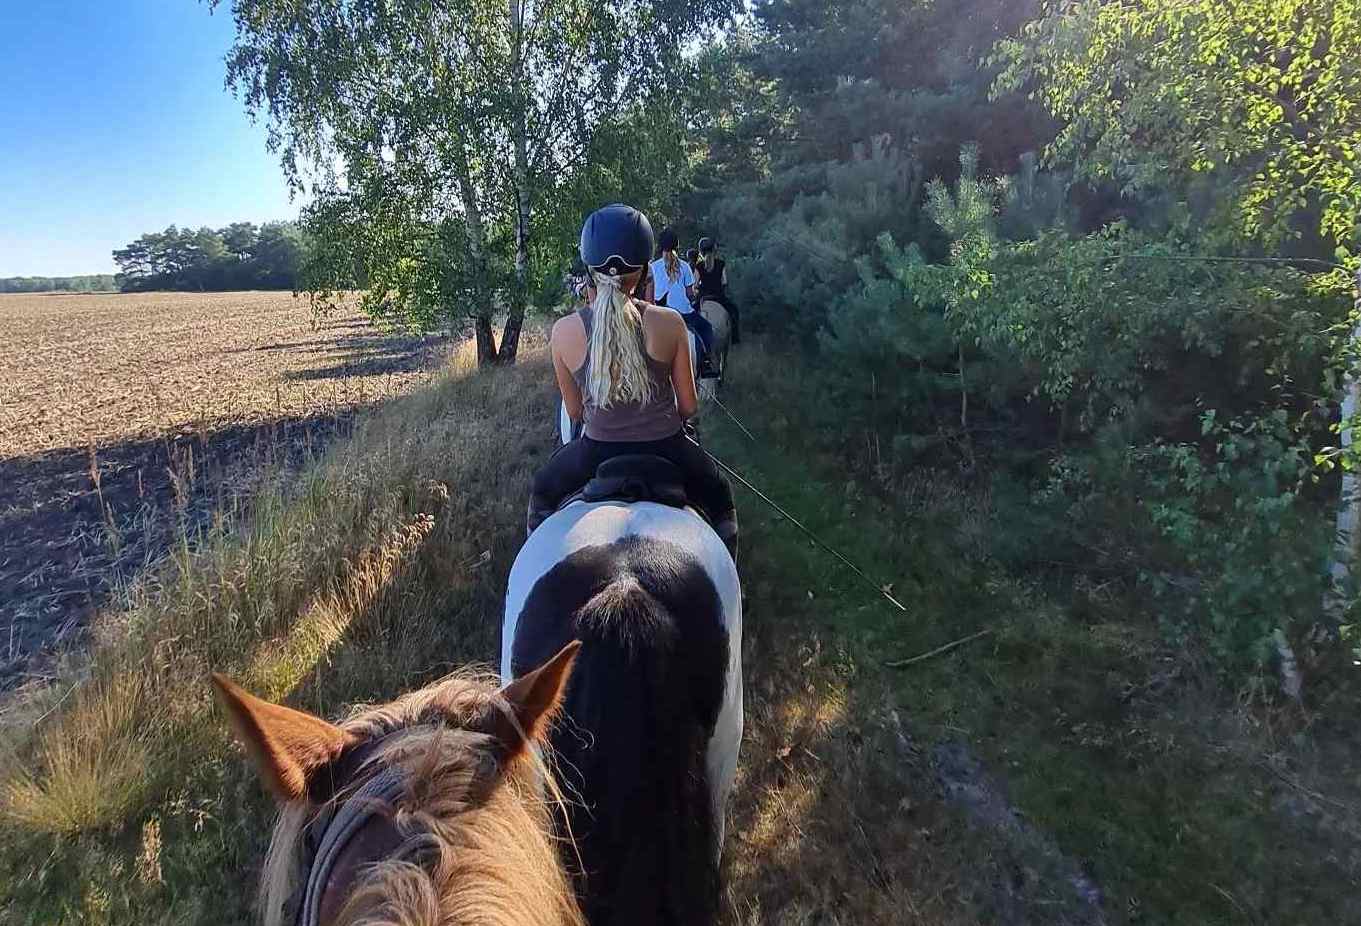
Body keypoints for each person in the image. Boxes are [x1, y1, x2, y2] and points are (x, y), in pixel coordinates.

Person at [527, 204, 738, 558]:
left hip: (595, 450)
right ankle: (732, 574)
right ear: (642, 270)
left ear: (590, 270)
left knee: (543, 490)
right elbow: (688, 406)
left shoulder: (564, 332)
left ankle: (535, 560)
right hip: (668, 447)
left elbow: (575, 413)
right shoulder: (670, 323)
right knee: (719, 494)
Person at [651, 228, 717, 373]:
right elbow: (689, 294)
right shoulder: (685, 267)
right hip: (683, 313)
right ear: (677, 246)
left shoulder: (653, 267)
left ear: (660, 246)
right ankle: (707, 363)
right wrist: (695, 298)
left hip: (659, 313)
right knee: (706, 328)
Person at [695, 236, 741, 344]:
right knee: (734, 311)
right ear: (713, 249)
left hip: (703, 298)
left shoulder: (699, 266)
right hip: (719, 297)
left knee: (690, 314)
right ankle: (735, 338)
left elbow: (695, 284)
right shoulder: (721, 264)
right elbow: (724, 282)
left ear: (701, 251)